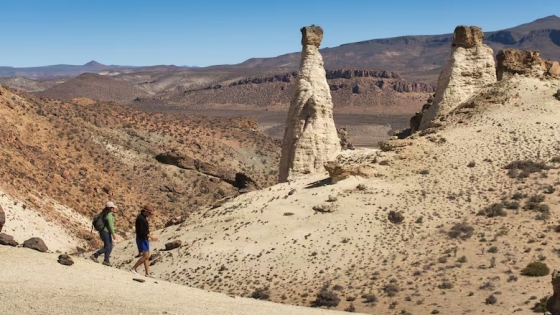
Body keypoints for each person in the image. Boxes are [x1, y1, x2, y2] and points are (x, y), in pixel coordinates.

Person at [131, 205, 158, 276]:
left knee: (147, 256)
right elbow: (141, 231)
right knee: (145, 256)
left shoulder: (143, 218)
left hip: (144, 239)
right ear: (145, 211)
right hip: (141, 239)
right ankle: (133, 268)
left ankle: (147, 273)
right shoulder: (140, 219)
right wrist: (151, 236)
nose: (149, 214)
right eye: (149, 213)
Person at [90, 201, 117, 266]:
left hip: (103, 232)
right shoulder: (109, 215)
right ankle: (95, 255)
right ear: (110, 208)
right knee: (108, 247)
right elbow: (110, 225)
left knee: (108, 246)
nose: (114, 209)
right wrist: (113, 234)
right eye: (113, 208)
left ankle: (106, 260)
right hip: (106, 232)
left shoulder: (104, 214)